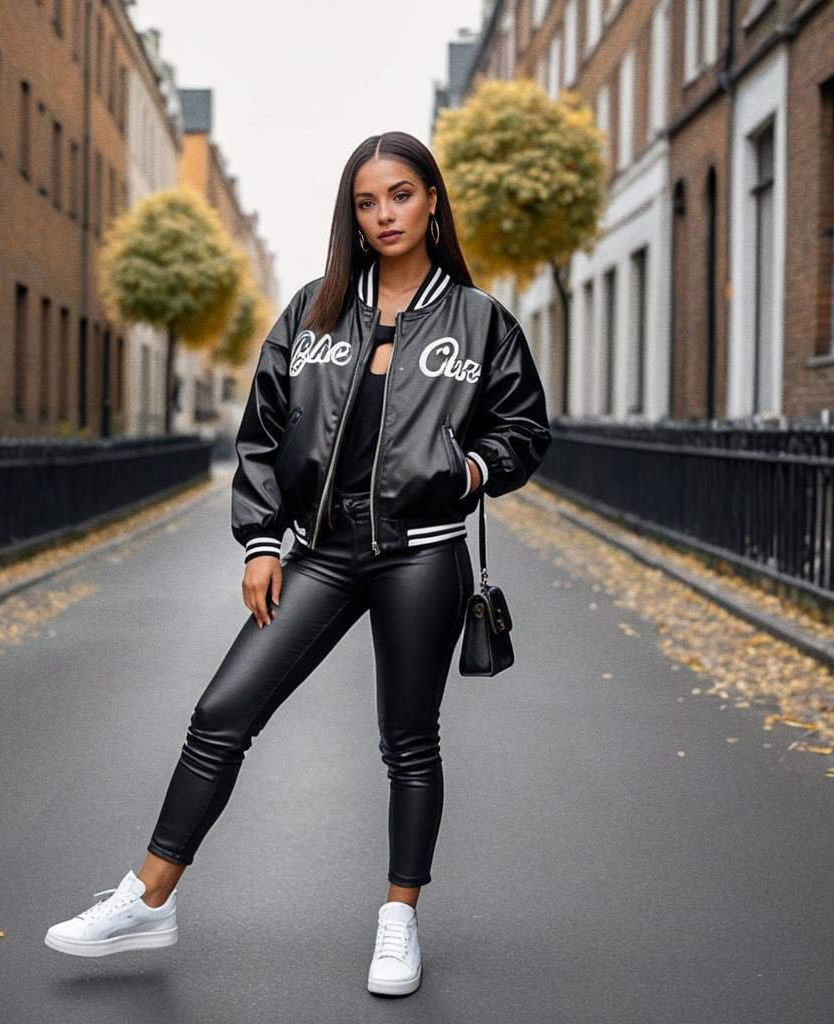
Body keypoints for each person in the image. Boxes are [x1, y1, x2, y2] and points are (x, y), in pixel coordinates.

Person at [44, 131, 552, 996]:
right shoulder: (317, 309)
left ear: (433, 200)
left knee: (408, 743)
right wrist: (260, 539)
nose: (383, 214)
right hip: (323, 551)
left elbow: (524, 430)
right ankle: (149, 897)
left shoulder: (479, 320)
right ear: (351, 215)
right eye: (366, 201)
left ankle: (399, 920)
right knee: (221, 712)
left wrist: (470, 469)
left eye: (399, 195)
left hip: (421, 555)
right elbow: (264, 432)